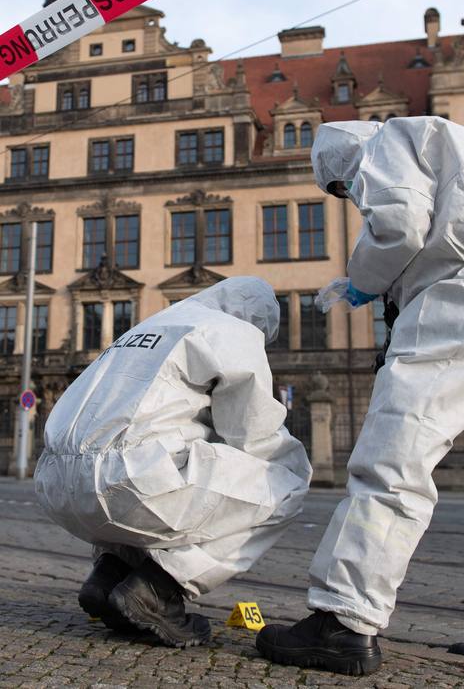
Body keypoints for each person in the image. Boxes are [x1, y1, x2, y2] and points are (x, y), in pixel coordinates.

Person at [256, 117, 464, 677]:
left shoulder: (387, 140)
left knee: (395, 456)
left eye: (344, 187)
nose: (351, 196)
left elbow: (400, 225)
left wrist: (364, 280)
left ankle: (344, 619)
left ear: (345, 156)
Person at [35, 276, 311, 648]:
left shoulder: (150, 325)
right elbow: (252, 433)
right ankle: (158, 590)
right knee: (285, 484)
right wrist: (283, 466)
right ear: (255, 319)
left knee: (162, 463)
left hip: (54, 483)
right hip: (128, 486)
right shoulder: (235, 331)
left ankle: (110, 576)